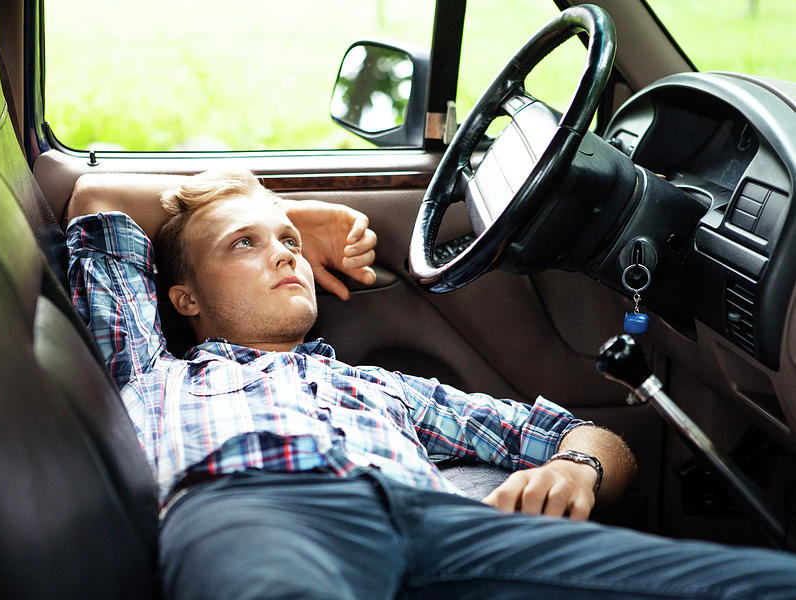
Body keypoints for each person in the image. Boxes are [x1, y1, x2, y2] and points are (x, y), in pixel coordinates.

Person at [66, 169, 796, 599]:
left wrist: (579, 468)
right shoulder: (150, 366)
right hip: (253, 507)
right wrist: (296, 212)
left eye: (288, 242)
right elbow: (94, 197)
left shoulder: (378, 388)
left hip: (434, 520)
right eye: (244, 245)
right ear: (185, 298)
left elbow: (587, 437)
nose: (285, 253)